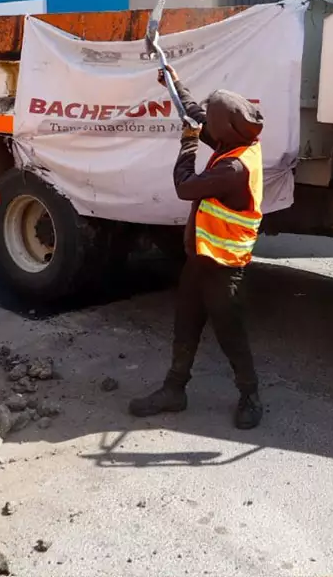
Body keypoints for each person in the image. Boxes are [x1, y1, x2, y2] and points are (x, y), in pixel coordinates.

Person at [128, 64, 265, 430]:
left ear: (223, 129)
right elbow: (196, 113)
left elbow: (185, 186)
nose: (206, 127)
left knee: (230, 334)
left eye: (210, 124)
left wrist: (188, 143)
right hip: (200, 260)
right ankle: (175, 390)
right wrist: (172, 82)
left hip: (225, 267)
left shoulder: (235, 167)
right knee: (185, 324)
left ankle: (250, 395)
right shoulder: (237, 140)